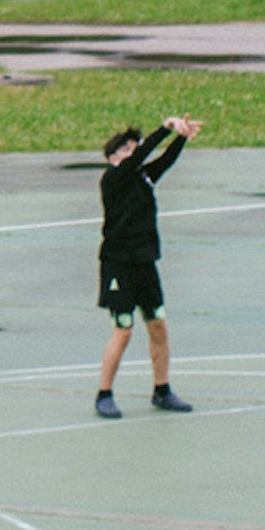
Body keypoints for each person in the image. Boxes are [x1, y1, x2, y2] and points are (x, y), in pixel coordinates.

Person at [93, 114, 202, 418]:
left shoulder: (142, 177)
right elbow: (143, 154)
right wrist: (165, 128)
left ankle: (162, 390)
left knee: (158, 325)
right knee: (124, 330)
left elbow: (164, 161)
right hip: (118, 264)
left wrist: (182, 137)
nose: (138, 152)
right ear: (116, 156)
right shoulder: (114, 178)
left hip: (144, 262)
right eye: (131, 149)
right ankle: (104, 394)